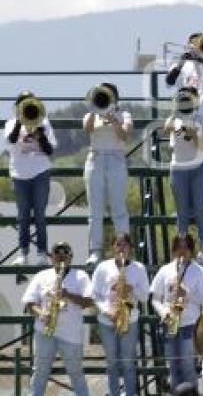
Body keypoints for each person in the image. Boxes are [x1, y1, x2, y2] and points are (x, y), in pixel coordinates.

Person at [22, 242, 93, 396]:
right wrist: (40, 313)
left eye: (65, 252)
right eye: (56, 252)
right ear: (51, 257)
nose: (61, 255)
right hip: (45, 331)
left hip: (71, 334)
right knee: (40, 371)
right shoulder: (41, 276)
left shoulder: (81, 276)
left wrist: (67, 294)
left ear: (71, 257)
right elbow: (29, 302)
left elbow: (89, 302)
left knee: (76, 373)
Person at [165, 32, 203, 213]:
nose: (197, 48)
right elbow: (169, 81)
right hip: (186, 122)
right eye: (194, 45)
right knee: (185, 166)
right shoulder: (182, 64)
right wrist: (183, 61)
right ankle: (187, 205)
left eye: (201, 45)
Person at [149, 234, 203, 393]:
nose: (182, 251)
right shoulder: (165, 270)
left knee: (188, 368)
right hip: (170, 324)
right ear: (173, 250)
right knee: (173, 368)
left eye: (186, 247)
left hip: (189, 325)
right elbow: (155, 298)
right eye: (178, 247)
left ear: (191, 249)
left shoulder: (199, 271)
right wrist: (163, 311)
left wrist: (187, 293)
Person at [91, 233, 149, 396]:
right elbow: (94, 295)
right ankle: (114, 393)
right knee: (112, 363)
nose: (121, 248)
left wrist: (131, 288)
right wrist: (106, 310)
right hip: (107, 320)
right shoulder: (102, 267)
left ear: (130, 248)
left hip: (129, 320)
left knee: (129, 362)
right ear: (112, 247)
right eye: (118, 244)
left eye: (125, 245)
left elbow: (144, 296)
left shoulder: (139, 268)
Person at [82, 82, 132, 265]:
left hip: (116, 159)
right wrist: (95, 109)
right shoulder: (91, 115)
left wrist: (112, 118)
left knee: (119, 209)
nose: (103, 99)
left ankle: (123, 249)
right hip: (95, 159)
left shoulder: (124, 115)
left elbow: (124, 135)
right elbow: (87, 129)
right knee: (95, 210)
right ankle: (95, 251)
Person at [6, 90, 57, 266]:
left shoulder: (44, 122)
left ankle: (42, 253)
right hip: (19, 175)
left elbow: (50, 150)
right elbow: (12, 141)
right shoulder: (11, 123)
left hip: (40, 172)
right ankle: (23, 254)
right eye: (23, 103)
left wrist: (40, 136)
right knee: (23, 216)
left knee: (40, 215)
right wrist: (20, 123)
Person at [165, 86, 203, 265]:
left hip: (200, 167)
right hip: (178, 169)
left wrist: (191, 129)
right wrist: (176, 116)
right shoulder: (174, 118)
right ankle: (181, 249)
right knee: (182, 212)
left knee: (201, 209)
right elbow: (166, 128)